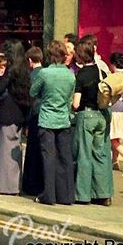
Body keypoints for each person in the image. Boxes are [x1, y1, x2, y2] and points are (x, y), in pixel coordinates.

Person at [30, 40, 76, 205]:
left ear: (50, 56)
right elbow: (70, 98)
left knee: (48, 158)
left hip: (47, 119)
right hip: (64, 120)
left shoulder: (44, 74)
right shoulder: (70, 75)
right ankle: (66, 196)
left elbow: (33, 91)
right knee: (65, 158)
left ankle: (49, 195)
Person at [72, 41, 113, 206]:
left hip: (86, 116)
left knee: (84, 155)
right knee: (100, 155)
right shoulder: (101, 70)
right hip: (101, 116)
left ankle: (83, 195)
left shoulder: (81, 75)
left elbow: (76, 103)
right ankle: (103, 194)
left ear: (81, 56)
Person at [0, 39, 30, 195]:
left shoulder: (10, 70)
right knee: (15, 150)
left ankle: (4, 186)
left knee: (4, 151)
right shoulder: (25, 70)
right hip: (20, 113)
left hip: (6, 112)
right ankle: (15, 185)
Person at [21, 45, 46, 197]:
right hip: (45, 115)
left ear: (30, 60)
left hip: (34, 115)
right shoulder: (47, 73)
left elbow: (29, 98)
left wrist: (26, 121)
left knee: (32, 151)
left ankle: (30, 185)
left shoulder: (31, 76)